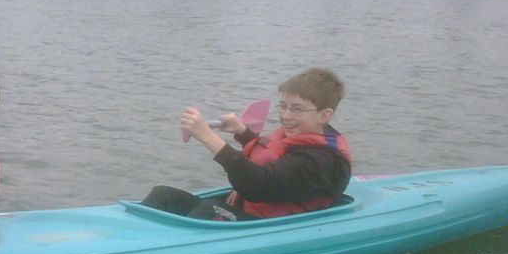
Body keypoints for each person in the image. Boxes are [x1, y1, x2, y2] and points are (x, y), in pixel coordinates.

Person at [142, 67, 351, 221]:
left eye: (297, 109)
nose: (286, 116)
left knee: (209, 209)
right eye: (283, 106)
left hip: (268, 227)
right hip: (248, 209)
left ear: (325, 115)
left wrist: (207, 136)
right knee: (163, 195)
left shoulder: (320, 161)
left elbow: (259, 185)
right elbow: (272, 158)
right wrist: (242, 133)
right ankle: (127, 242)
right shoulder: (298, 138)